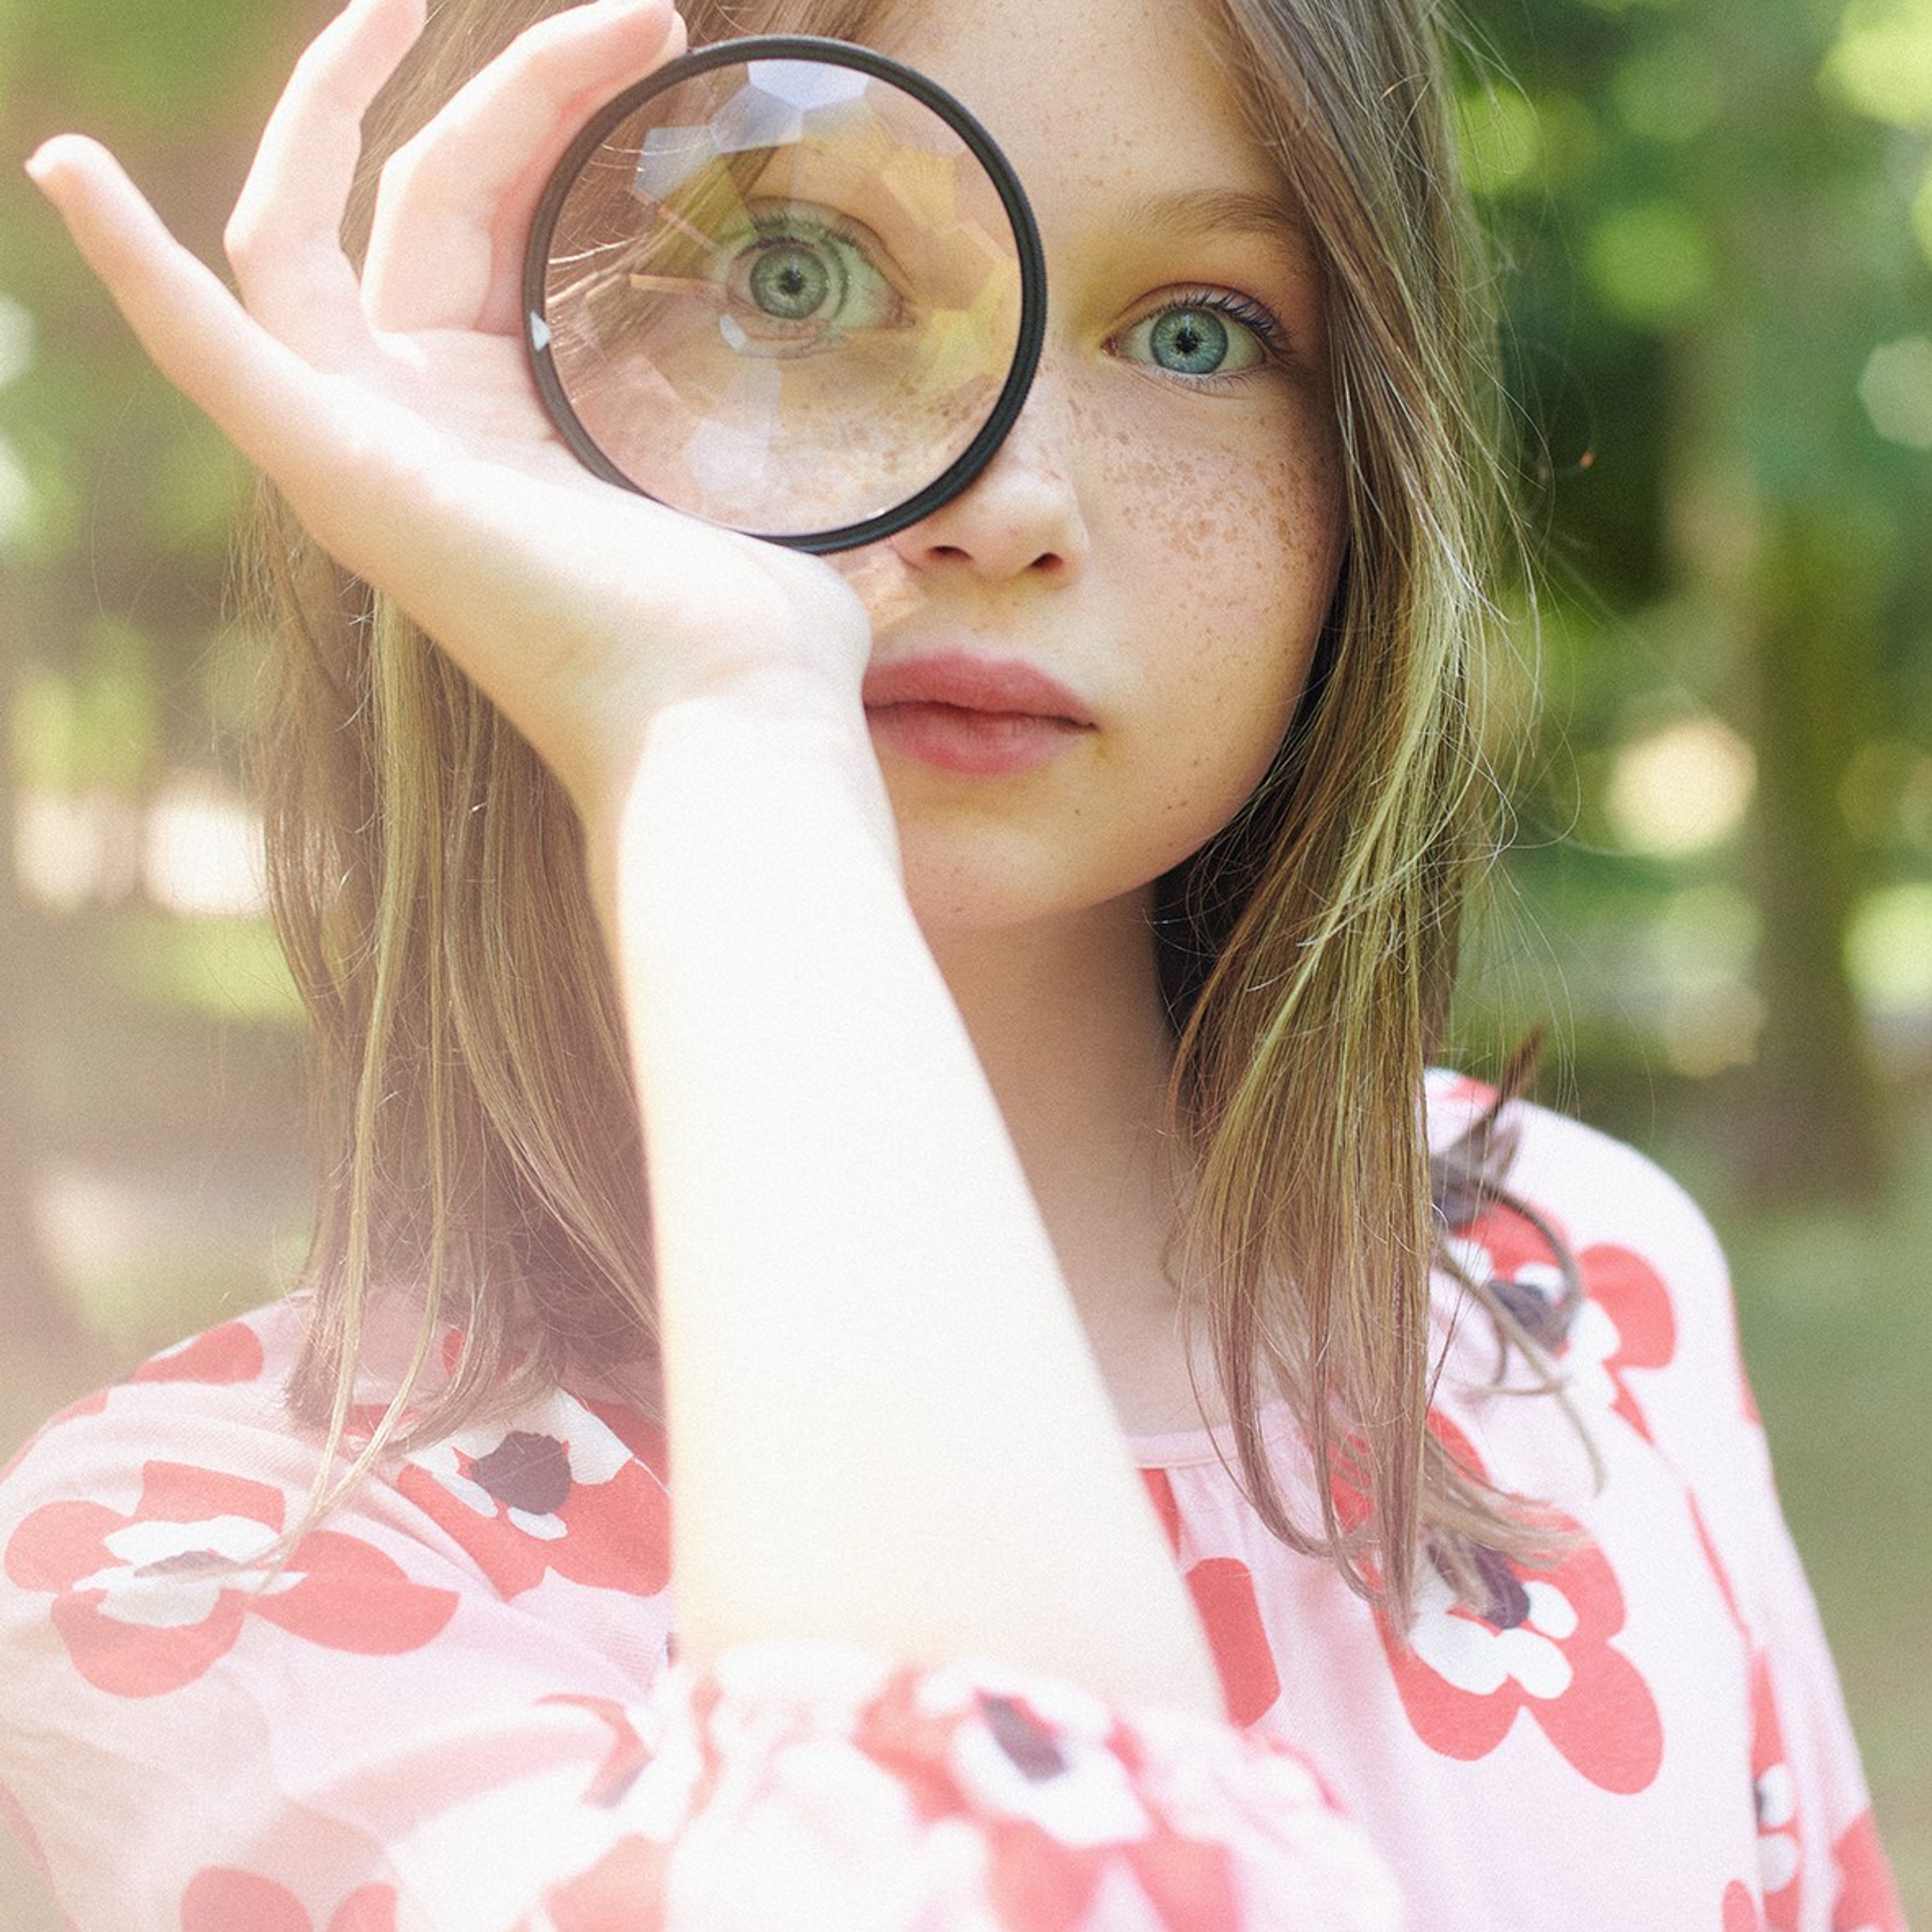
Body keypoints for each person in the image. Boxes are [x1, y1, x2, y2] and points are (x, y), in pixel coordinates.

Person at [0, 0, 1906, 1924]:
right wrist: (723, 733)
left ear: (1361, 469)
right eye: (792, 275)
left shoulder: (1580, 1293)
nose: (1010, 500)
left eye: (1196, 331)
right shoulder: (201, 1576)